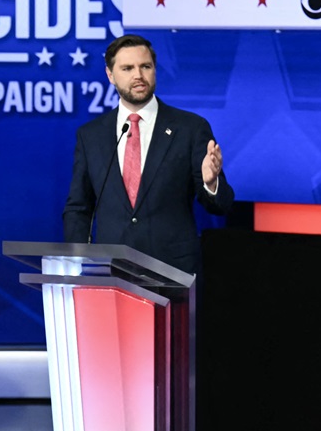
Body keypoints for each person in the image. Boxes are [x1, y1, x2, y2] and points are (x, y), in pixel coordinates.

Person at [63, 34, 234, 275]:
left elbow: (222, 204)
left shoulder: (190, 128)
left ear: (155, 70)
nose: (138, 76)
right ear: (110, 75)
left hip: (172, 271)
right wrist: (76, 263)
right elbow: (78, 208)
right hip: (110, 271)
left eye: (145, 66)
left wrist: (211, 182)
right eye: (127, 68)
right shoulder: (90, 136)